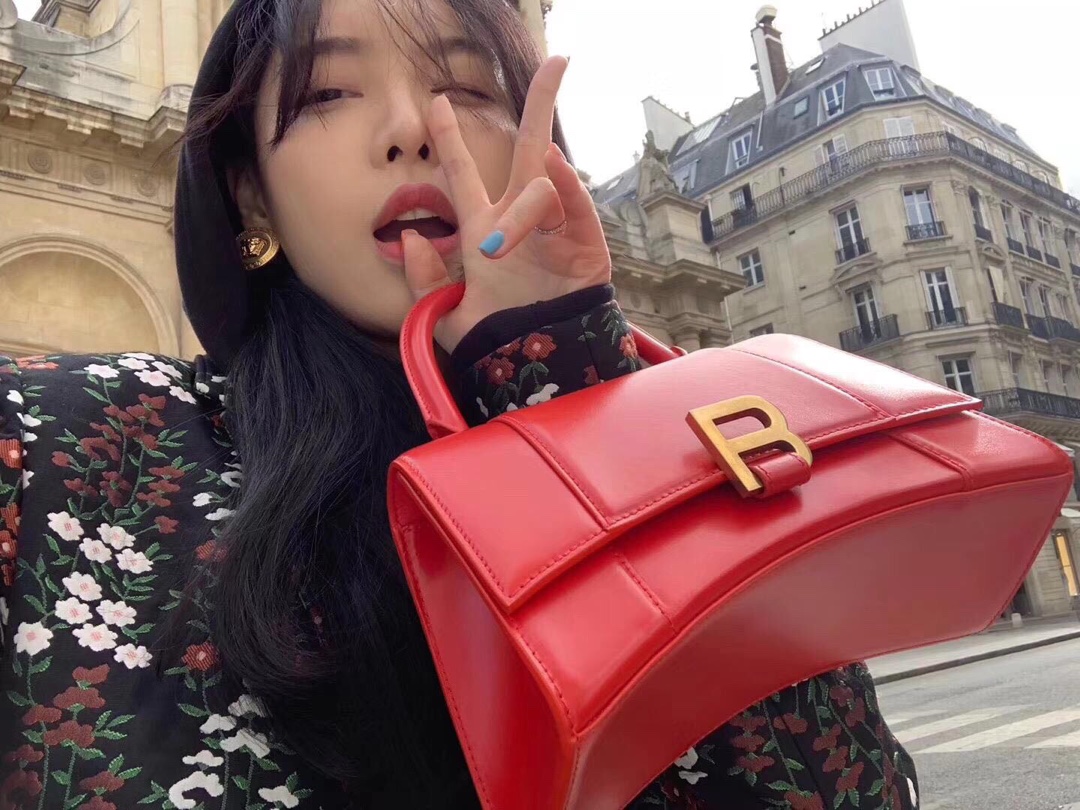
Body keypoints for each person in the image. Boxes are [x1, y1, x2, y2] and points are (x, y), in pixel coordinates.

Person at [0, 0, 921, 806]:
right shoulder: (56, 450)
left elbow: (839, 787)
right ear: (250, 197)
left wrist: (563, 372)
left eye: (470, 88)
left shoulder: (664, 437)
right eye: (328, 92)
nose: (411, 128)